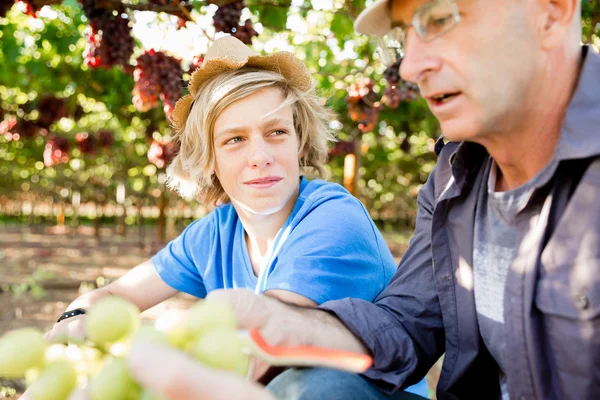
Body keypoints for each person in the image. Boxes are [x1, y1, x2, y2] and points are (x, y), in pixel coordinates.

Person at [120, 0, 600, 399]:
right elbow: (406, 323)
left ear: (552, 10)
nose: (410, 66)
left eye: (439, 19)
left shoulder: (331, 215)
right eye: (403, 35)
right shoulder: (456, 177)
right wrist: (276, 322)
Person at [43, 35, 428, 397]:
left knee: (304, 386)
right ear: (209, 161)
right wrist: (74, 322)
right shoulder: (214, 234)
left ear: (298, 142)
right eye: (235, 139)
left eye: (276, 132)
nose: (260, 155)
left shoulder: (332, 220)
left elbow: (259, 353)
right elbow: (118, 293)